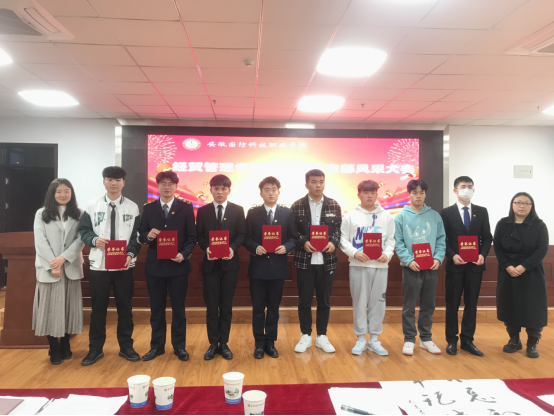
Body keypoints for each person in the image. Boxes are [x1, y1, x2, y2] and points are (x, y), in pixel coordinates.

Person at [79, 166, 142, 366]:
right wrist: (93, 240)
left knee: (125, 308)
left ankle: (126, 346)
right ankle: (95, 349)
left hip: (124, 266)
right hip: (100, 266)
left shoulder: (133, 207)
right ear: (104, 182)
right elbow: (84, 230)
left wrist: (130, 254)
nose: (113, 183)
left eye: (117, 180)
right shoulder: (92, 205)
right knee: (98, 309)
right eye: (109, 179)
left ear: (123, 182)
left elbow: (136, 236)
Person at [139, 171, 196, 362]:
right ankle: (157, 346)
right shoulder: (149, 209)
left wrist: (184, 254)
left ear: (176, 186)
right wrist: (148, 236)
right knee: (156, 309)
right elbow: (141, 235)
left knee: (178, 308)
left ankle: (179, 346)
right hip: (155, 267)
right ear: (157, 186)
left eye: (171, 183)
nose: (167, 187)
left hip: (178, 266)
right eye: (163, 183)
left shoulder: (185, 208)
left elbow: (192, 237)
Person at [244, 176, 297, 359]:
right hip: (258, 268)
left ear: (279, 192)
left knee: (274, 309)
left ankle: (270, 343)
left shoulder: (287, 213)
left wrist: (287, 247)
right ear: (261, 193)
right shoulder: (253, 213)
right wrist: (254, 247)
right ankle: (259, 344)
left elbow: (293, 237)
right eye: (267, 190)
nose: (271, 193)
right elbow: (246, 237)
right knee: (258, 309)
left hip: (277, 268)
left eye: (274, 189)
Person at [340, 180, 395, 357]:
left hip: (380, 266)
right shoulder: (350, 216)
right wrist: (355, 253)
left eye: (373, 192)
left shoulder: (386, 216)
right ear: (359, 195)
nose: (369, 196)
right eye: (366, 192)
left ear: (377, 194)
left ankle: (374, 339)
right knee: (359, 302)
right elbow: (343, 239)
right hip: (359, 265)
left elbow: (391, 240)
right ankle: (361, 338)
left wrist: (387, 254)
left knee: (378, 302)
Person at [33, 178, 85, 365]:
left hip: (70, 267)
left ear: (71, 193)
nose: (63, 195)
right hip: (48, 268)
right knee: (49, 309)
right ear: (52, 194)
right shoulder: (42, 213)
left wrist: (63, 259)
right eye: (59, 191)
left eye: (66, 191)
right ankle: (53, 346)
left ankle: (65, 343)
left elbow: (80, 239)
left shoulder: (79, 213)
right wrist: (54, 264)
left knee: (69, 308)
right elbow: (40, 241)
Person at [441, 176, 493, 357]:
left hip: (475, 266)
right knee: (452, 304)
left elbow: (487, 237)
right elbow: (442, 239)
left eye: (470, 187)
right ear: (455, 190)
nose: (467, 189)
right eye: (463, 186)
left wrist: (482, 255)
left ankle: (467, 340)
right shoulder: (446, 212)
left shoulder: (481, 211)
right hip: (455, 266)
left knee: (471, 304)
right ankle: (451, 341)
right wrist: (452, 255)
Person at [291, 169, 342, 355]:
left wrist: (333, 242)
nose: (318, 185)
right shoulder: (297, 205)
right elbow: (292, 231)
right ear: (306, 184)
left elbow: (339, 229)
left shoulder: (333, 205)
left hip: (327, 261)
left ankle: (321, 336)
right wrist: (303, 242)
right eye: (314, 182)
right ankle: (305, 335)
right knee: (304, 300)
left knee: (324, 301)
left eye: (321, 181)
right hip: (305, 261)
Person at [196, 174, 246, 361]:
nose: (219, 192)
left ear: (229, 191)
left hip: (229, 266)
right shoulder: (203, 211)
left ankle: (224, 343)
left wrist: (232, 248)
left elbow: (242, 234)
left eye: (223, 189)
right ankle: (212, 344)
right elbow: (199, 236)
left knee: (226, 306)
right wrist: (206, 247)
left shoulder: (237, 210)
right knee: (211, 307)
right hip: (210, 266)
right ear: (211, 190)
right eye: (216, 188)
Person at [394, 179, 446, 357]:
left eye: (421, 193)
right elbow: (398, 242)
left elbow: (441, 239)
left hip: (431, 267)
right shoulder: (400, 217)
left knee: (428, 305)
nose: (418, 196)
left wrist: (438, 258)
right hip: (411, 268)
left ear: (425, 194)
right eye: (414, 192)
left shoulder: (435, 216)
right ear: (408, 194)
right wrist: (408, 260)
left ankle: (426, 338)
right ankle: (409, 339)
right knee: (409, 306)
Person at [494, 192, 549, 359]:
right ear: (512, 205)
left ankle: (532, 342)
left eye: (526, 203)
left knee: (533, 308)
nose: (522, 206)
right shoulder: (503, 224)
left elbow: (542, 249)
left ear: (531, 206)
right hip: (508, 271)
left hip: (531, 272)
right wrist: (508, 266)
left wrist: (524, 266)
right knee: (509, 306)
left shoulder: (539, 225)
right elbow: (497, 247)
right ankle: (514, 340)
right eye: (518, 202)